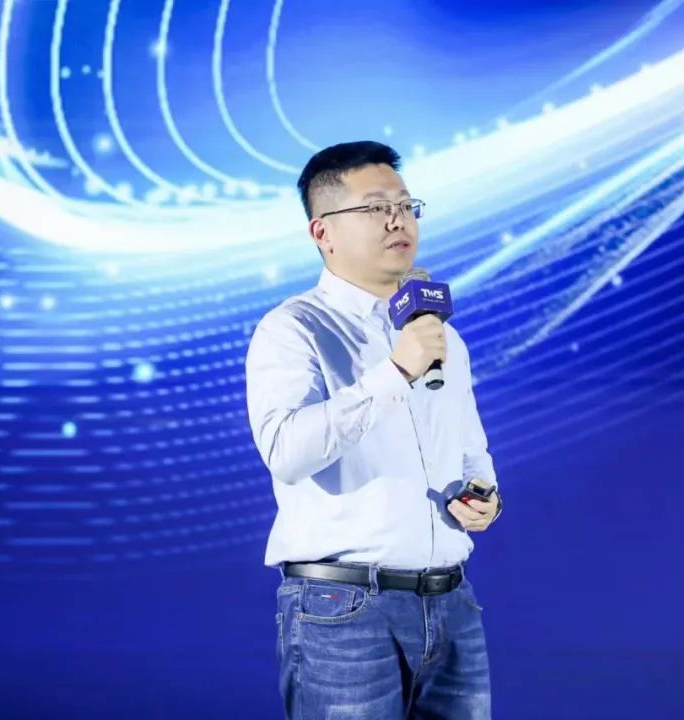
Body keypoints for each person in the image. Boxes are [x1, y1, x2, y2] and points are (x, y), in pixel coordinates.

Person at [245, 141, 502, 719]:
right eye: (375, 208)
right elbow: (286, 451)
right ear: (323, 232)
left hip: (452, 602)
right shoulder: (294, 328)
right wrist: (395, 371)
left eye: (406, 206)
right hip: (344, 607)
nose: (397, 220)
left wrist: (483, 493)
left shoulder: (438, 335)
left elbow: (470, 447)